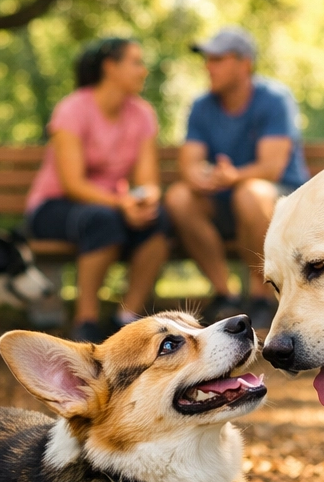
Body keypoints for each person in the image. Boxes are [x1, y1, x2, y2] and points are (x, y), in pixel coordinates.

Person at [25, 38, 170, 343]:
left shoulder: (142, 114)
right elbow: (72, 183)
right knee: (102, 220)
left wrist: (145, 200)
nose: (143, 71)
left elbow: (147, 181)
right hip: (54, 207)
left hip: (112, 207)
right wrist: (121, 204)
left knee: (161, 220)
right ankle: (86, 320)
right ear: (110, 67)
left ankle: (127, 319)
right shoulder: (73, 109)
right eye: (135, 62)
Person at [165, 27, 309, 330]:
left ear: (245, 64)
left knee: (249, 192)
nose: (208, 66)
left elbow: (270, 168)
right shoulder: (202, 105)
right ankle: (225, 294)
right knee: (179, 197)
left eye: (217, 58)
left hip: (279, 203)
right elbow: (189, 162)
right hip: (225, 201)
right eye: (207, 59)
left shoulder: (274, 99)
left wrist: (233, 176)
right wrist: (199, 177)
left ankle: (261, 296)